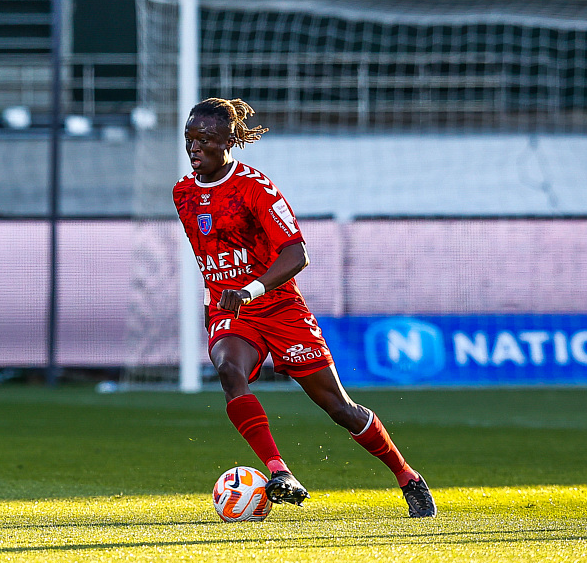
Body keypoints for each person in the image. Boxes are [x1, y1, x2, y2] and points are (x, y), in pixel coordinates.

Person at [172, 97, 437, 518]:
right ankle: (280, 471)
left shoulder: (255, 188)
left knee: (339, 409)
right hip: (230, 311)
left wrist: (251, 289)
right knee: (228, 370)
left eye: (205, 140)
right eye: (190, 139)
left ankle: (407, 476)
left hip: (278, 307)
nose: (194, 148)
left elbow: (296, 254)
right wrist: (224, 296)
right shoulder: (183, 194)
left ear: (229, 141)